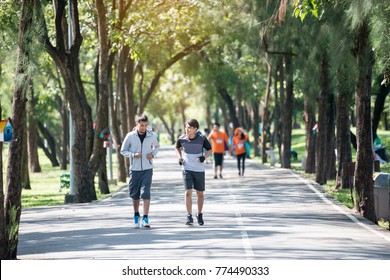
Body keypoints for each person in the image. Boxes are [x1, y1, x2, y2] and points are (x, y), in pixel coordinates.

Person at [120, 114, 160, 229]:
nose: (143, 128)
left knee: (146, 193)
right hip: (135, 169)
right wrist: (133, 155)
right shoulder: (130, 136)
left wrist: (152, 154)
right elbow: (123, 151)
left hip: (147, 169)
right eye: (141, 125)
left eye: (145, 125)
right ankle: (136, 215)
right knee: (135, 194)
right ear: (137, 124)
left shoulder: (151, 136)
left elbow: (156, 146)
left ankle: (146, 218)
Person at [176, 119, 212, 226]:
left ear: (195, 129)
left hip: (199, 170)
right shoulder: (182, 139)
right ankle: (189, 215)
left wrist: (203, 157)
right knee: (188, 192)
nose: (187, 129)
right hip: (187, 169)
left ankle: (199, 214)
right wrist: (180, 157)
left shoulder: (202, 139)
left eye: (189, 128)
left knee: (200, 193)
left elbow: (210, 150)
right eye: (186, 127)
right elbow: (177, 148)